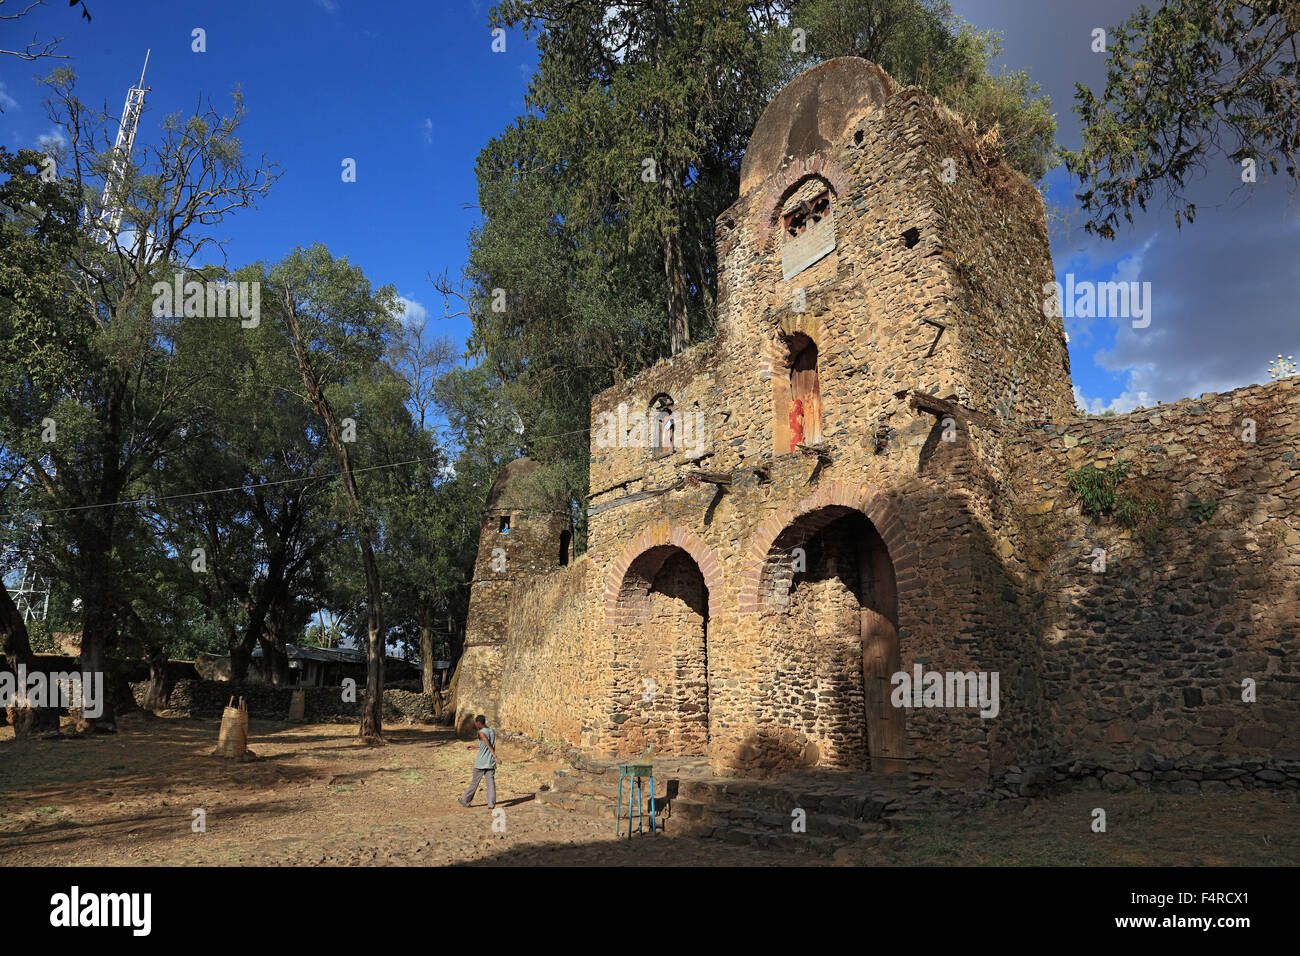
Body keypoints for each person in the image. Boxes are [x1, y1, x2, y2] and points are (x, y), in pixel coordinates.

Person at [459, 715, 497, 809]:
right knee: (490, 784)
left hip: (481, 763)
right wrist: (475, 747)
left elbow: (488, 744)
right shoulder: (491, 731)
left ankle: (465, 800)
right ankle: (491, 804)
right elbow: (486, 744)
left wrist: (495, 755)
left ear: (478, 723)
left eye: (476, 723)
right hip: (490, 762)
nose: (476, 725)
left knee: (474, 783)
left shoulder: (481, 733)